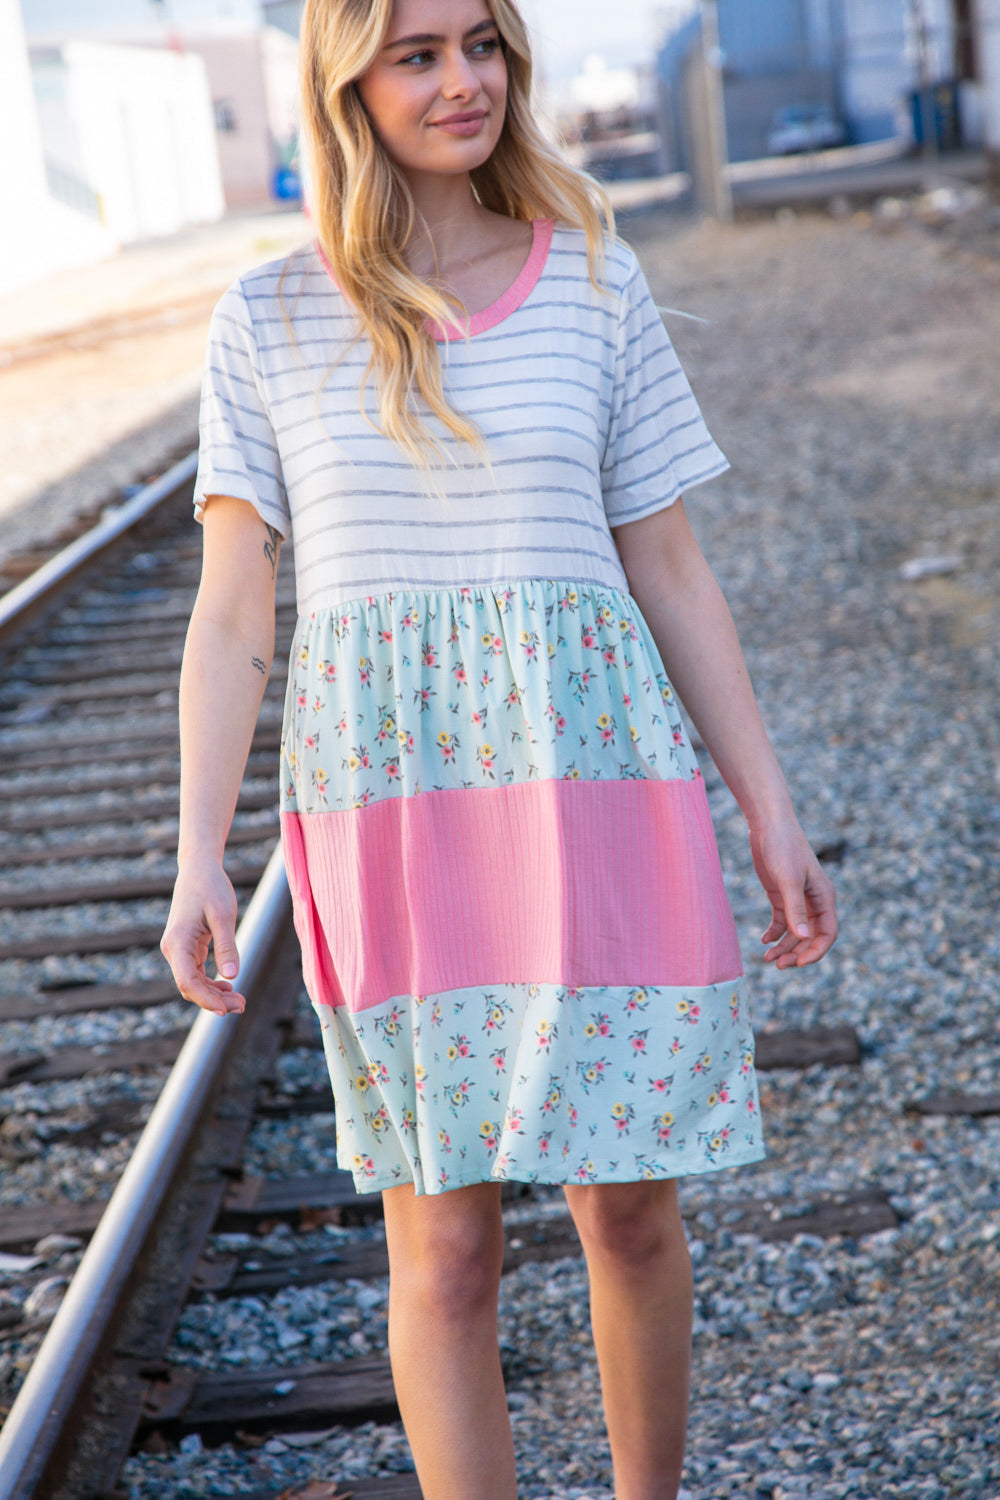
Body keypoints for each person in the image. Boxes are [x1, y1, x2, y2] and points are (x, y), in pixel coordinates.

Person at [161, 1, 838, 1496]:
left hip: (601, 798)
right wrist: (200, 850)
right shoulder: (267, 320)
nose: (463, 79)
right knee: (448, 1250)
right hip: (395, 818)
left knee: (629, 1218)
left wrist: (768, 808)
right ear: (349, 82)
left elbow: (669, 563)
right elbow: (231, 617)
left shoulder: (595, 275)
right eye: (418, 52)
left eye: (482, 43)